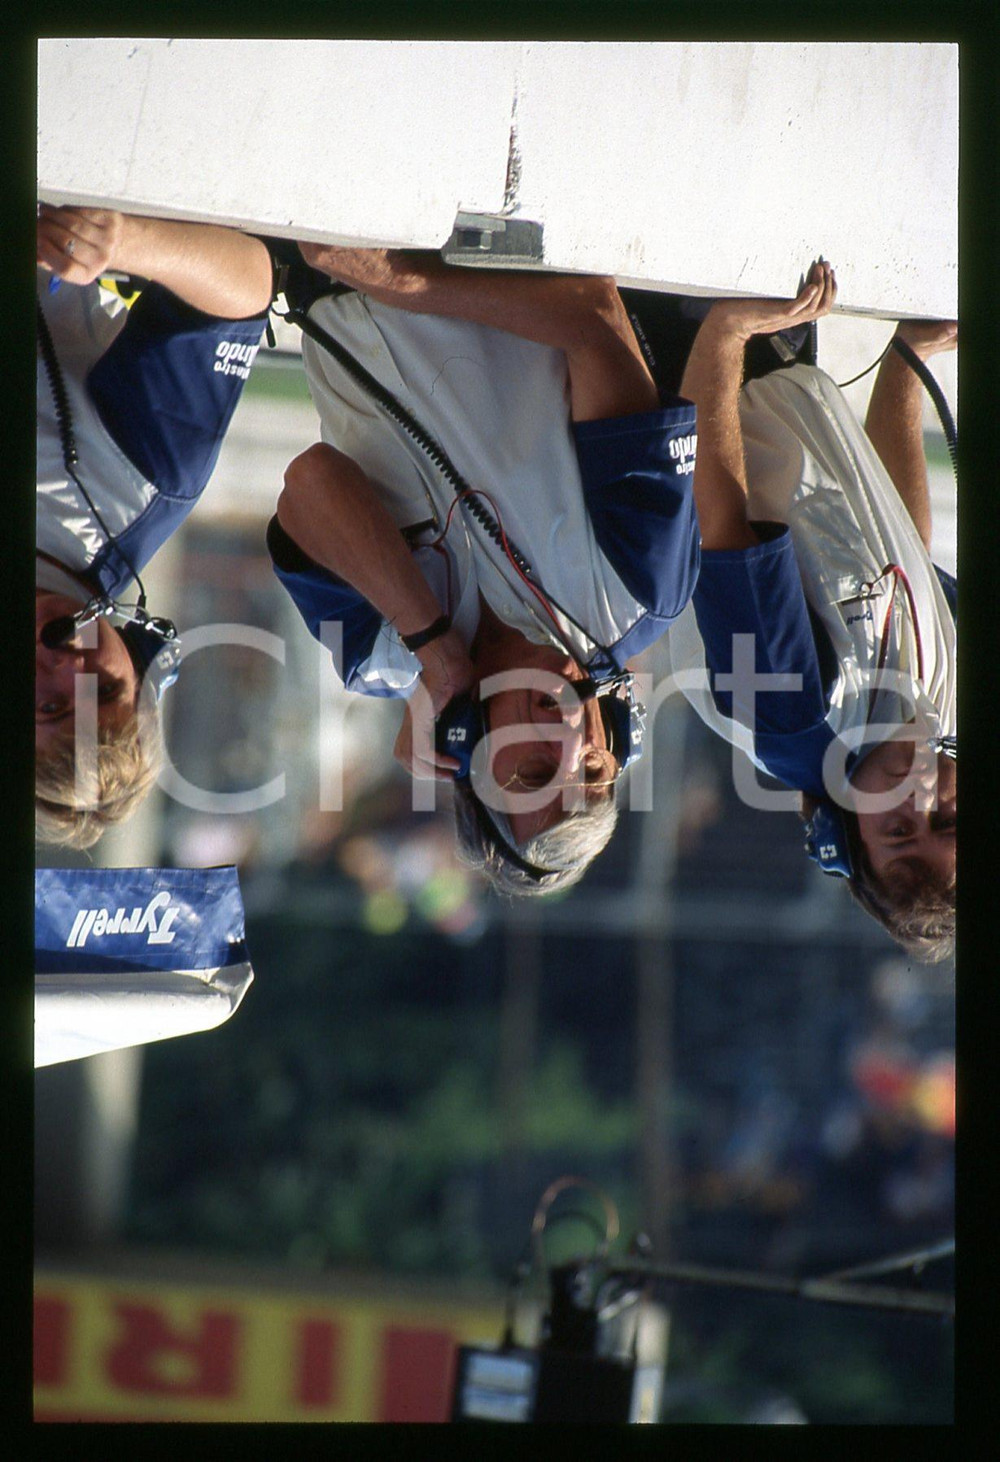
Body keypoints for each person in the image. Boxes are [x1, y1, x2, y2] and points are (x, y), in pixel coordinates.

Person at [267, 246, 701, 894]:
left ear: (467, 749)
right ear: (613, 743)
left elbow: (310, 481)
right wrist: (397, 276)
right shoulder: (641, 594)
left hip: (318, 264)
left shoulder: (378, 660)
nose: (563, 744)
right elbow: (593, 318)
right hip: (474, 237)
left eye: (529, 772)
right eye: (589, 772)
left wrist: (431, 643)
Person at [625, 261, 956, 961]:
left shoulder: (795, 722)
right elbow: (906, 548)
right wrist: (905, 362)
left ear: (845, 834)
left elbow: (717, 514)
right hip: (771, 351)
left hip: (685, 368)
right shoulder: (939, 718)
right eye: (948, 818)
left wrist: (722, 334)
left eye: (898, 830)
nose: (918, 795)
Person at [36, 205, 275, 849]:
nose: (69, 666)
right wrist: (120, 243)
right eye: (105, 686)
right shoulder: (142, 485)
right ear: (137, 667)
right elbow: (246, 285)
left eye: (49, 706)